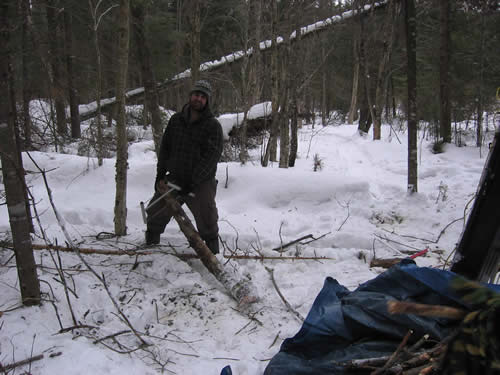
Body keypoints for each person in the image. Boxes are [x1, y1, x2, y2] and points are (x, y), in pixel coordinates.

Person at [145, 79, 223, 254]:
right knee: (155, 210)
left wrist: (193, 181)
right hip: (175, 178)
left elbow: (211, 158)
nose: (198, 99)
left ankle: (213, 252)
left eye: (203, 97)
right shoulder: (176, 120)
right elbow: (165, 148)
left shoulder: (213, 126)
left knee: (207, 215)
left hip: (200, 182)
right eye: (196, 94)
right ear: (190, 96)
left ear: (207, 101)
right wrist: (160, 174)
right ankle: (151, 245)